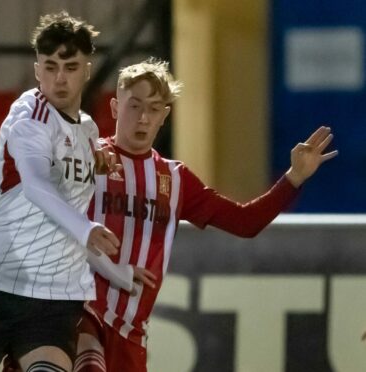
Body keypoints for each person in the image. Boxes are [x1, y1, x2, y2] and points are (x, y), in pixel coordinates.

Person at [73, 59, 338, 372]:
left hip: (130, 333)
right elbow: (48, 218)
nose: (143, 118)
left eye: (155, 108)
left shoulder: (174, 179)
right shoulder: (87, 158)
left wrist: (293, 178)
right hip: (79, 315)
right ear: (115, 108)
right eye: (135, 106)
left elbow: (245, 222)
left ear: (165, 116)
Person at [0, 11, 122, 372]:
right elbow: (37, 186)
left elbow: (73, 162)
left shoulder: (87, 130)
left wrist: (97, 158)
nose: (59, 77)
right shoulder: (30, 117)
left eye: (70, 66)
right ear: (37, 70)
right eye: (49, 66)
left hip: (54, 299)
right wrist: (87, 230)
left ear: (87, 69)